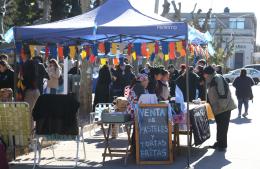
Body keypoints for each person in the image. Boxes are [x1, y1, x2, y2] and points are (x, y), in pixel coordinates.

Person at [203, 65, 236, 151]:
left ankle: (223, 145)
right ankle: (219, 142)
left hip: (223, 107)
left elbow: (222, 93)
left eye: (205, 74)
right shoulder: (212, 79)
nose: (204, 76)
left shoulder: (217, 78)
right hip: (218, 108)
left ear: (208, 73)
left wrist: (221, 106)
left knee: (223, 127)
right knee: (220, 126)